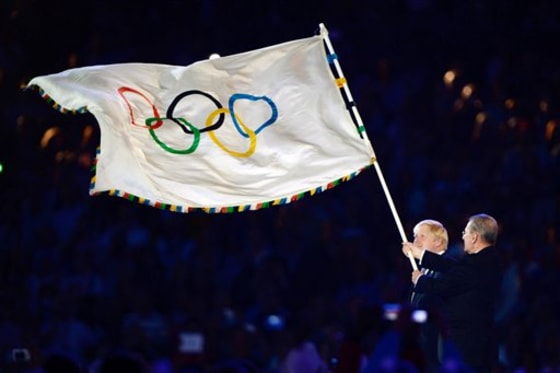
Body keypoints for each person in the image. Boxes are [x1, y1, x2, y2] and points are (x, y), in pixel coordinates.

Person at [403, 213, 502, 373]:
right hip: (472, 344)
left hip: (469, 346)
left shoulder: (478, 264)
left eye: (465, 233)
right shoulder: (482, 261)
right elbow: (452, 267)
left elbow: (442, 286)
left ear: (475, 237)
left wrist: (421, 279)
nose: (463, 237)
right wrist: (420, 255)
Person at [403, 219, 449, 373]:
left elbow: (436, 308)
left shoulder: (448, 270)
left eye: (421, 236)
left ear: (438, 242)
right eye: (414, 236)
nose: (415, 241)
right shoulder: (421, 272)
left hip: (438, 351)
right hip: (420, 354)